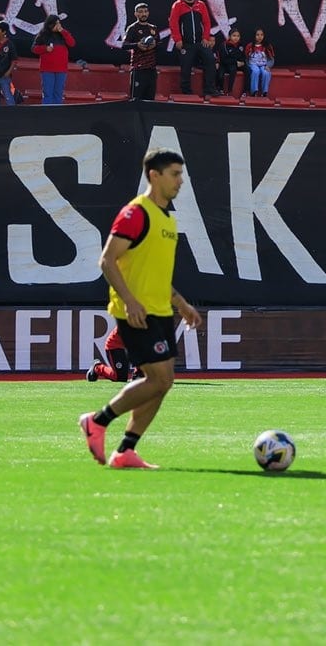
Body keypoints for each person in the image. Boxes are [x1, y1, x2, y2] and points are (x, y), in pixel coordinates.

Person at [80, 150, 204, 470]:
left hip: (161, 310)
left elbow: (157, 274)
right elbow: (107, 260)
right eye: (174, 173)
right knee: (159, 379)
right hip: (135, 312)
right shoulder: (136, 213)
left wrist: (182, 305)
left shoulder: (168, 219)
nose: (180, 180)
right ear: (154, 175)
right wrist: (130, 301)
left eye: (181, 173)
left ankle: (125, 451)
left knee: (164, 381)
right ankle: (97, 421)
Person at [122, 4, 161, 101]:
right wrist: (137, 45)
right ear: (136, 14)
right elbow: (124, 45)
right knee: (136, 99)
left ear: (148, 13)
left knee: (150, 100)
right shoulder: (132, 28)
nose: (143, 14)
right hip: (138, 70)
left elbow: (160, 45)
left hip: (151, 70)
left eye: (145, 11)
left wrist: (154, 45)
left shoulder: (153, 28)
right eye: (140, 12)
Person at [36, 16, 75, 105]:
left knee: (58, 94)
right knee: (47, 94)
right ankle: (46, 114)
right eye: (56, 23)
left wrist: (63, 31)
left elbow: (72, 43)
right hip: (47, 69)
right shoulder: (43, 35)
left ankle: (57, 114)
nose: (58, 25)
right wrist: (45, 48)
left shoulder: (64, 34)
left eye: (59, 23)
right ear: (50, 25)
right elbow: (34, 48)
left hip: (61, 69)